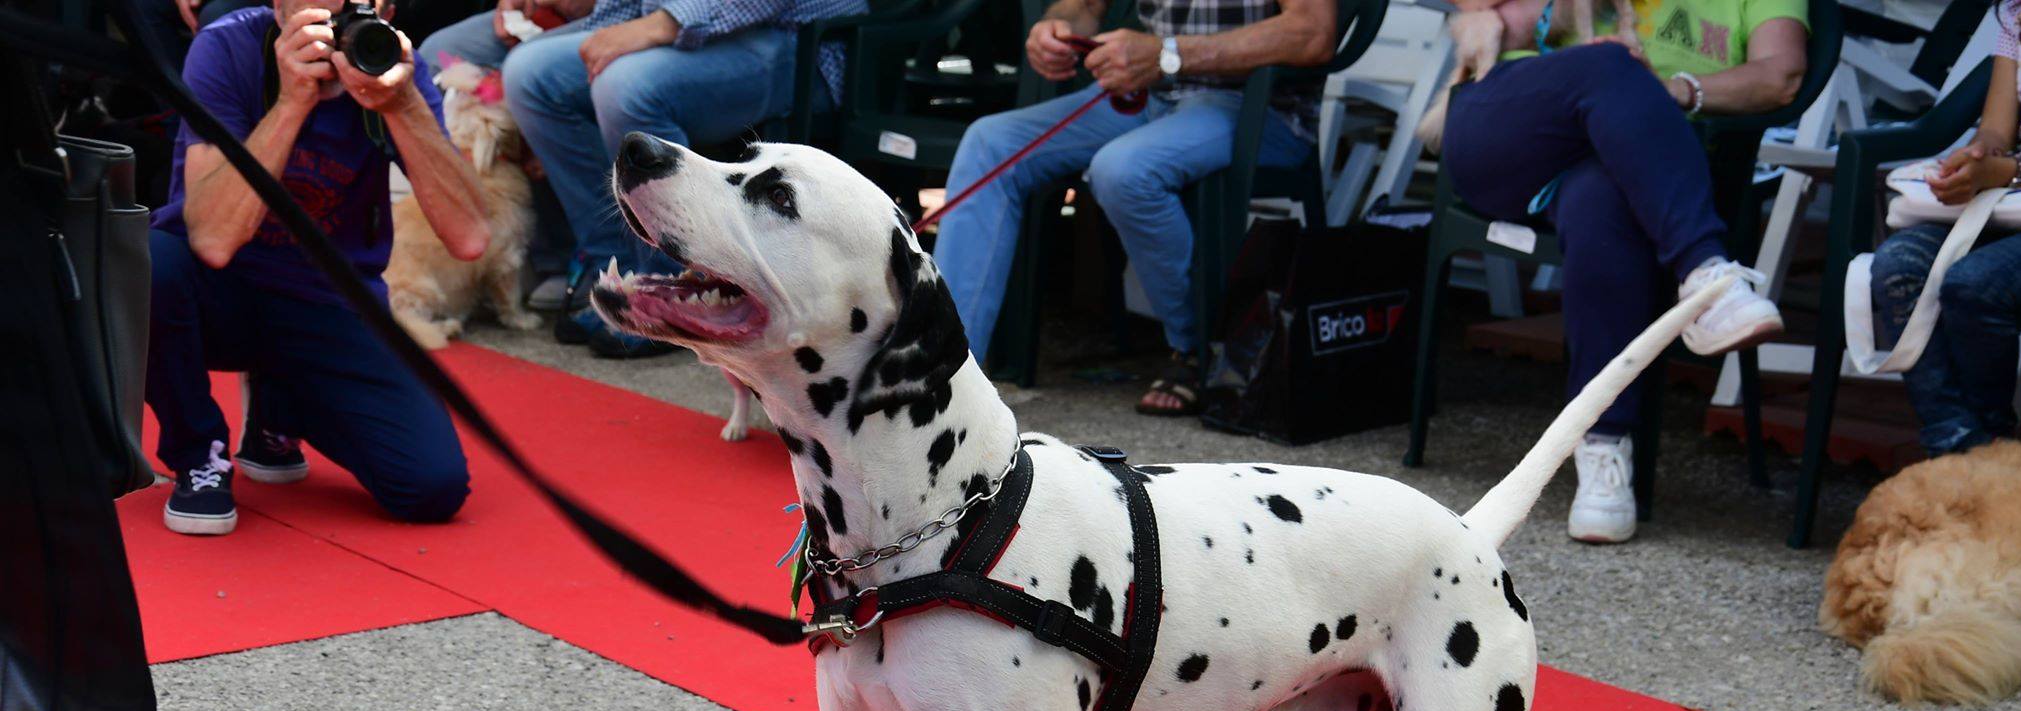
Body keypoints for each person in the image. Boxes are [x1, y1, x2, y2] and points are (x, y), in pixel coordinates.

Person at [1440, 0, 1804, 544]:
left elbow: (1780, 76)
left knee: (1602, 201)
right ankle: (1707, 274)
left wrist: (1673, 90)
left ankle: (1602, 447)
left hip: (1639, 165)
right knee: (1611, 64)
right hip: (1511, 118)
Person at [148, 0, 490, 536]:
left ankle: (279, 408)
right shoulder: (228, 47)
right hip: (221, 289)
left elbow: (470, 237)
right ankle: (199, 455)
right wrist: (291, 102)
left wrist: (401, 107)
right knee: (151, 265)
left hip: (328, 300)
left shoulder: (393, 63)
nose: (334, 27)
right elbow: (213, 240)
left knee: (431, 487)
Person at [932, 0, 1338, 416]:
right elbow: (1085, 6)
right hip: (1146, 96)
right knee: (990, 143)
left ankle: (1196, 347)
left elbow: (1312, 33)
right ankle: (944, 372)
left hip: (1256, 106)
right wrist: (1056, 29)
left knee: (1124, 170)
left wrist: (1169, 54)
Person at [418, 0, 868, 359]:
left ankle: (669, 291)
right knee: (530, 74)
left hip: (783, 34)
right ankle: (612, 270)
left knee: (624, 86)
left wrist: (659, 24)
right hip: (662, 20)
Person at [1869, 1, 2021, 457]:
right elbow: (1995, 128)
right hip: (2015, 200)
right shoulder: (2019, 14)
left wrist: (2012, 169)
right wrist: (1976, 158)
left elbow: (2013, 162)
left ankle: (1982, 450)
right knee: (1897, 265)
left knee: (1972, 283)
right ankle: (1965, 450)